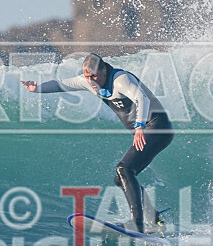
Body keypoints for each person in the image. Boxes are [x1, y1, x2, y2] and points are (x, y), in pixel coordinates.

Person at [21, 53, 174, 233]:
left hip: (157, 128)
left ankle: (136, 224)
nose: (91, 80)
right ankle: (154, 220)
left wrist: (140, 126)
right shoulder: (88, 81)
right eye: (87, 77)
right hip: (148, 130)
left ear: (103, 69)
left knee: (124, 169)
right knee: (122, 178)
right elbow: (60, 84)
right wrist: (37, 88)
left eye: (94, 76)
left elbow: (142, 98)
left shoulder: (121, 79)